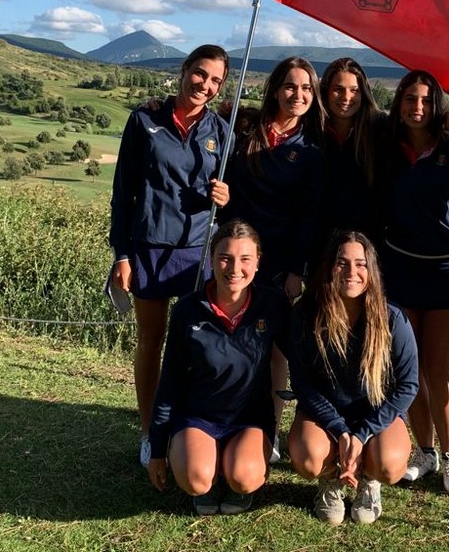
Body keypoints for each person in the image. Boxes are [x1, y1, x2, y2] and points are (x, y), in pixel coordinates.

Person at [109, 44, 230, 468]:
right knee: (151, 341)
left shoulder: (221, 131)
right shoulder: (145, 120)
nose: (206, 85)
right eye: (200, 74)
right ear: (184, 71)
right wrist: (121, 254)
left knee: (197, 345)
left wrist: (226, 196)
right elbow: (123, 192)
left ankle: (189, 425)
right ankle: (149, 431)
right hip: (148, 248)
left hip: (198, 252)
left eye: (216, 80)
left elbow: (230, 199)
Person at [379, 69, 449, 493]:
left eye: (425, 100)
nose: (417, 107)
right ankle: (423, 452)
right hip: (400, 267)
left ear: (438, 105)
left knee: (437, 368)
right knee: (410, 368)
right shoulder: (388, 146)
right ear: (399, 103)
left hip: (447, 270)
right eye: (410, 99)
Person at [146, 220, 288, 515]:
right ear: (211, 260)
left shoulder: (272, 304)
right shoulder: (187, 309)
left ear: (258, 262)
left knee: (244, 477)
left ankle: (236, 464)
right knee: (197, 481)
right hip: (198, 416)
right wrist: (157, 451)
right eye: (225, 257)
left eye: (245, 259)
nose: (234, 268)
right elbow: (169, 383)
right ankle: (200, 458)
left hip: (249, 419)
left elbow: (302, 361)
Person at [224, 56, 326, 459]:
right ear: (275, 89)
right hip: (235, 257)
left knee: (275, 349)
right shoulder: (246, 130)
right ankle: (229, 421)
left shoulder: (312, 148)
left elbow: (309, 215)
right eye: (289, 86)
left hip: (280, 262)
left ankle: (269, 432)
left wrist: (296, 271)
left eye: (305, 89)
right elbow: (227, 185)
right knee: (233, 341)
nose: (297, 95)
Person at [287, 231, 418, 525]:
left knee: (389, 465)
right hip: (323, 414)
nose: (352, 272)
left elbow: (408, 386)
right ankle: (331, 480)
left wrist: (363, 433)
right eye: (342, 263)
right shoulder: (305, 314)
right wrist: (340, 431)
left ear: (371, 270)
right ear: (328, 267)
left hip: (376, 415)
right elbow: (302, 383)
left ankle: (369, 480)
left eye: (360, 264)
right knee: (308, 457)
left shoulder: (392, 318)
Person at [318, 58, 384, 242]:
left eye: (354, 90)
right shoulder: (312, 130)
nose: (346, 97)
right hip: (319, 240)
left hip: (368, 243)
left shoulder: (381, 129)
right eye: (338, 89)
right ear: (326, 91)